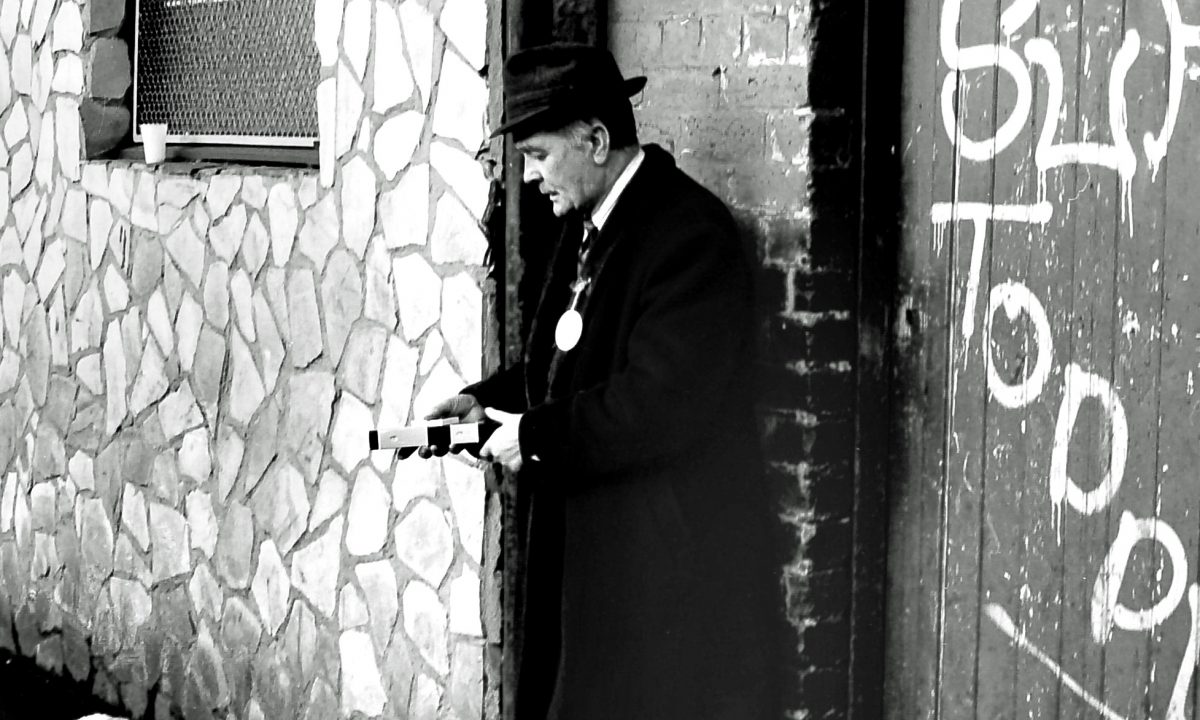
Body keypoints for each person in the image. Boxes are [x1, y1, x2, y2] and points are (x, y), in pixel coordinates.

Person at [423, 43, 781, 720]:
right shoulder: (590, 224)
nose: (530, 178)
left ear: (595, 140)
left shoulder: (689, 236)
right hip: (593, 564)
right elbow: (559, 371)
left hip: (657, 580)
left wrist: (531, 434)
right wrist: (485, 404)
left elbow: (657, 406)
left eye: (537, 156)